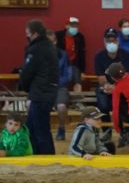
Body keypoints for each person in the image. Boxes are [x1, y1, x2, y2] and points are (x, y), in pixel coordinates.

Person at [19, 19, 59, 155]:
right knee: (33, 128)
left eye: (28, 34)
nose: (27, 37)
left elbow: (27, 72)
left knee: (39, 130)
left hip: (40, 94)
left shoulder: (36, 49)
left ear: (35, 34)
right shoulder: (49, 47)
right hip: (47, 93)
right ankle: (37, 155)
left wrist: (23, 87)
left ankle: (46, 158)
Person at [93, 28, 129, 140]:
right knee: (103, 105)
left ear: (118, 41)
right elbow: (100, 77)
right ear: (104, 41)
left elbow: (127, 75)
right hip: (105, 87)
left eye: (113, 40)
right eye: (108, 40)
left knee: (124, 104)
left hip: (121, 86)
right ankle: (107, 133)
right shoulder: (99, 56)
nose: (111, 42)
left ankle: (125, 132)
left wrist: (116, 87)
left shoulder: (126, 55)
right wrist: (107, 86)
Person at [46, 30, 76, 141]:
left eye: (53, 41)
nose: (51, 44)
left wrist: (56, 83)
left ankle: (61, 128)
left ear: (56, 42)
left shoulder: (63, 55)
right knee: (32, 105)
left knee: (62, 107)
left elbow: (68, 75)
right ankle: (43, 130)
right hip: (44, 88)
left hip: (60, 87)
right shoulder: (39, 55)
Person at [55, 16, 87, 83]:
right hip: (60, 64)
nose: (75, 27)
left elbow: (82, 55)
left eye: (76, 25)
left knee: (77, 78)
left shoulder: (80, 37)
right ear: (66, 26)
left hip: (74, 64)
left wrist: (82, 71)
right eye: (72, 25)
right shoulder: (58, 36)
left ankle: (78, 92)